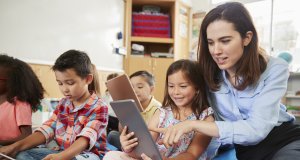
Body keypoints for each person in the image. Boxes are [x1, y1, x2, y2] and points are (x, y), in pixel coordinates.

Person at [155, 2, 300, 160]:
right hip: (246, 151)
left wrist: (193, 125)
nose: (216, 51)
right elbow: (182, 106)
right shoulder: (206, 74)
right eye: (211, 43)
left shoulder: (275, 68)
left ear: (246, 38)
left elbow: (256, 130)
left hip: (284, 140)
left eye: (225, 41)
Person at [0, 50, 109, 160]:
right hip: (62, 151)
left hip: (87, 155)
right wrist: (14, 148)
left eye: (70, 83)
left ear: (88, 79)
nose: (64, 89)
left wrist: (61, 157)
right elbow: (47, 129)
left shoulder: (99, 106)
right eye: (60, 83)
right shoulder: (63, 103)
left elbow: (84, 140)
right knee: (20, 154)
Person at [103, 59, 214, 160]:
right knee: (111, 156)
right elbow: (145, 148)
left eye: (183, 86)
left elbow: (192, 155)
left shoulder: (205, 118)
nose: (175, 92)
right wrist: (128, 147)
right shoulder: (162, 113)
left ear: (198, 88)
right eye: (171, 86)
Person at [107, 71, 162, 151]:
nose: (135, 90)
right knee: (112, 135)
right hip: (132, 141)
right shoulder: (131, 104)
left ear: (151, 89)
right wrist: (123, 114)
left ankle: (129, 151)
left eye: (140, 87)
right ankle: (128, 150)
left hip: (149, 144)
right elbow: (122, 132)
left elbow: (152, 138)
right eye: (132, 87)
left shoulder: (158, 109)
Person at [0, 54, 44, 146]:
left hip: (13, 149)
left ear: (11, 81)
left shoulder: (20, 103)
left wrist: (2, 143)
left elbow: (26, 136)